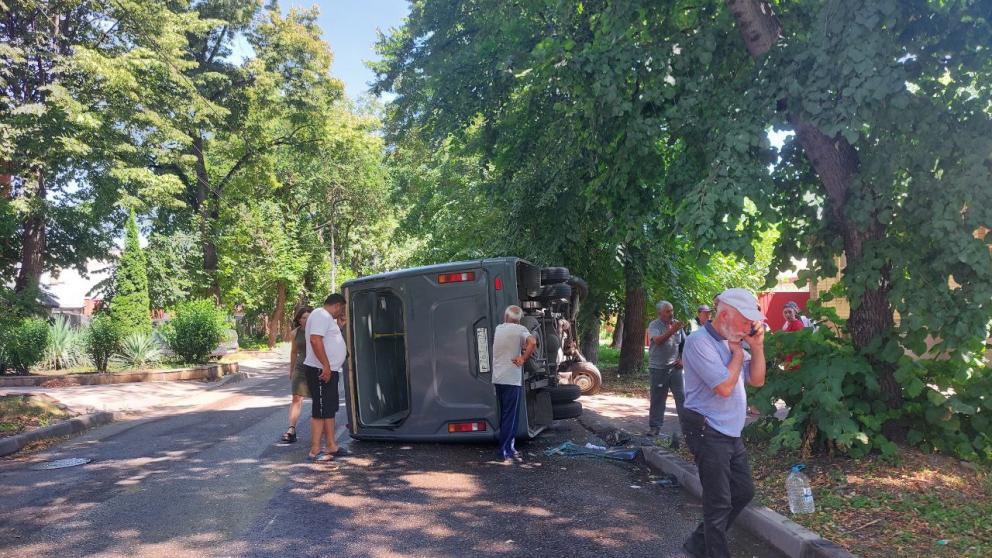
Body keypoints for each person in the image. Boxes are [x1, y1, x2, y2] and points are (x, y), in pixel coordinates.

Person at [679, 288, 767, 558]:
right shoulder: (699, 342)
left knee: (743, 491)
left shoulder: (736, 339)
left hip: (730, 432)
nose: (749, 327)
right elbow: (724, 388)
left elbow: (757, 380)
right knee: (718, 504)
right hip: (707, 431)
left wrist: (757, 347)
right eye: (745, 321)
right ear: (725, 315)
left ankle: (697, 544)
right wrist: (738, 354)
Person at [302, 293, 347, 462]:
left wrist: (340, 328)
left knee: (329, 409)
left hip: (329, 370)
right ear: (337, 305)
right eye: (341, 309)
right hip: (320, 370)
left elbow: (328, 340)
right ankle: (315, 450)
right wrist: (326, 365)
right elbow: (315, 340)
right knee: (320, 411)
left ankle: (331, 445)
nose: (341, 313)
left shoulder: (327, 318)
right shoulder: (321, 314)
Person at [491, 305, 537, 462]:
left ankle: (510, 447)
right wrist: (523, 358)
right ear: (518, 320)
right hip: (512, 379)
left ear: (505, 317)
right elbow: (533, 342)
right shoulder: (520, 329)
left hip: (498, 378)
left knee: (505, 414)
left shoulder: (499, 328)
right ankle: (504, 451)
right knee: (511, 416)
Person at [647, 301, 686, 436]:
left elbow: (684, 345)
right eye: (668, 311)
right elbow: (657, 340)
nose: (671, 313)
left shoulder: (677, 325)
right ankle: (655, 427)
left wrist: (682, 360)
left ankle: (687, 429)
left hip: (675, 368)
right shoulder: (654, 325)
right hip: (658, 368)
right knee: (658, 398)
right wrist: (672, 330)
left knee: (682, 397)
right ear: (660, 313)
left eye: (672, 310)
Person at [279, 306, 312, 444]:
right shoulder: (295, 333)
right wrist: (291, 370)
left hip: (316, 367)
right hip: (300, 367)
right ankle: (291, 429)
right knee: (296, 398)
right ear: (299, 320)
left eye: (309, 316)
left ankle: (321, 429)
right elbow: (293, 352)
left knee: (319, 399)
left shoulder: (318, 331)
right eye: (304, 317)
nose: (307, 319)